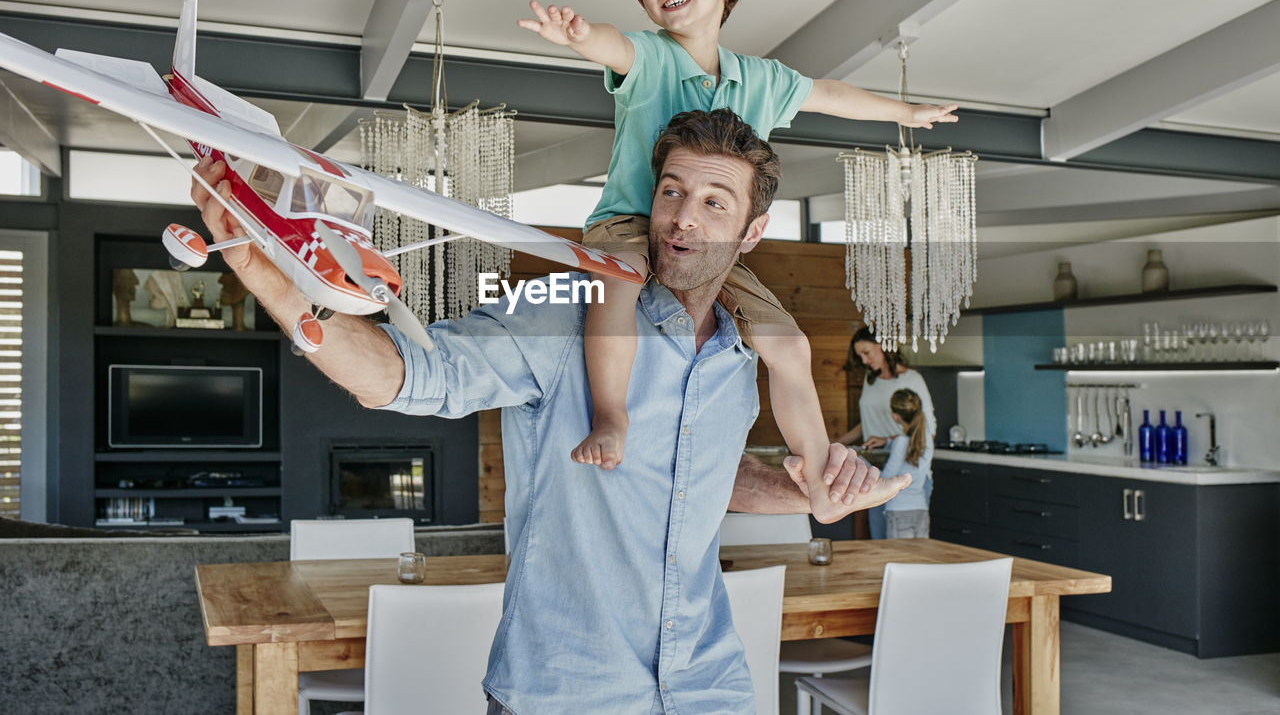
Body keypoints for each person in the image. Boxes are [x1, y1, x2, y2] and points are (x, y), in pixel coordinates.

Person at [191, 109, 909, 714]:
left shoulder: (739, 359)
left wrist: (822, 485)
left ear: (751, 231)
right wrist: (282, 287)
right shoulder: (569, 311)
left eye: (715, 201)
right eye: (671, 191)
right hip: (568, 691)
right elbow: (407, 374)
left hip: (706, 687)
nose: (684, 218)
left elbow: (704, 473)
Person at [517, 0, 958, 493]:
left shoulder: (764, 79)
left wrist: (905, 112)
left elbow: (830, 94)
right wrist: (579, 37)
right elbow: (612, 46)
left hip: (714, 244)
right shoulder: (650, 58)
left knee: (791, 343)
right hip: (631, 222)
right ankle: (611, 416)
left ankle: (822, 474)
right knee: (617, 284)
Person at [837, 326, 937, 539]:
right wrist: (837, 442)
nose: (864, 361)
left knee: (905, 547)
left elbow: (928, 429)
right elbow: (867, 422)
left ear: (882, 346)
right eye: (860, 356)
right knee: (881, 541)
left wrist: (889, 441)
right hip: (875, 475)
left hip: (906, 476)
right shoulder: (870, 380)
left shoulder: (912, 380)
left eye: (866, 353)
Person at [881, 388, 933, 538]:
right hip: (921, 509)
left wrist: (864, 463)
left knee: (899, 559)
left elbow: (887, 477)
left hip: (899, 510)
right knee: (919, 559)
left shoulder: (901, 443)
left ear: (895, 416)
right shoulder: (926, 439)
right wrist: (889, 441)